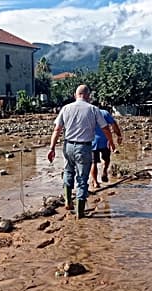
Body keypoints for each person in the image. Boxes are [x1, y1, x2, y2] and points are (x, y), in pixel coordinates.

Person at [47, 85, 115, 218]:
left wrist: (52, 148)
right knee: (82, 179)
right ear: (88, 96)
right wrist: (111, 142)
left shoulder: (66, 108)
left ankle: (68, 201)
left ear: (75, 95)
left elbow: (57, 130)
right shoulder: (93, 109)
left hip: (68, 146)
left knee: (68, 171)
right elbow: (105, 128)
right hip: (84, 147)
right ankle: (80, 212)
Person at [90, 107, 122, 188]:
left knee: (93, 163)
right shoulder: (104, 113)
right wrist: (118, 135)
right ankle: (104, 171)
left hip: (92, 142)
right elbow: (113, 125)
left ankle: (95, 182)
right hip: (105, 140)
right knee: (106, 159)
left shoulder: (88, 113)